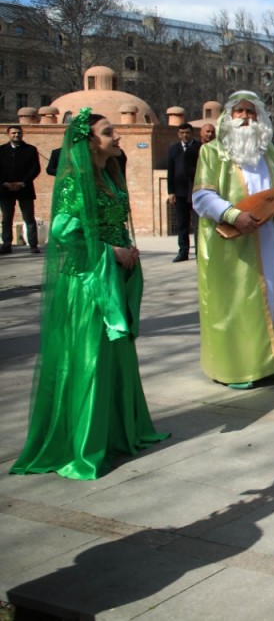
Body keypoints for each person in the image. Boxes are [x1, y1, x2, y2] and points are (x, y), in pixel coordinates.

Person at [10, 110, 168, 479]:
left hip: (115, 276)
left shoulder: (110, 177)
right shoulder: (72, 181)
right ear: (90, 141)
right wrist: (113, 252)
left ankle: (115, 433)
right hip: (87, 284)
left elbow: (113, 224)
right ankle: (85, 443)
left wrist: (128, 250)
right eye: (109, 132)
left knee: (115, 357)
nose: (117, 138)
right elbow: (65, 232)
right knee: (90, 359)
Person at [193, 92, 274, 388]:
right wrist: (231, 215)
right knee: (237, 304)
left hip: (267, 240)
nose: (245, 117)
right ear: (229, 117)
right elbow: (202, 196)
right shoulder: (213, 152)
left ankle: (270, 363)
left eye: (251, 112)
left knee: (270, 298)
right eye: (239, 111)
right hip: (230, 244)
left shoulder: (267, 152)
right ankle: (239, 369)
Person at [1, 124, 41, 254]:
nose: (16, 135)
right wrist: (4, 183)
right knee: (7, 219)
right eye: (13, 133)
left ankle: (33, 245)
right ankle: (6, 244)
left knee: (29, 218)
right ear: (8, 134)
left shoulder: (30, 150)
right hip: (5, 190)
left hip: (25, 189)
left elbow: (35, 169)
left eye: (18, 133)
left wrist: (22, 183)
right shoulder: (1, 150)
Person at [166, 122, 202, 262]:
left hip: (195, 191)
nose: (185, 135)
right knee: (182, 223)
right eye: (182, 133)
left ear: (192, 133)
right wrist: (171, 192)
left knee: (198, 224)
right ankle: (183, 251)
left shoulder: (199, 147)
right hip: (180, 192)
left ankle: (200, 251)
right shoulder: (174, 149)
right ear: (178, 134)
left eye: (187, 132)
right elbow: (171, 171)